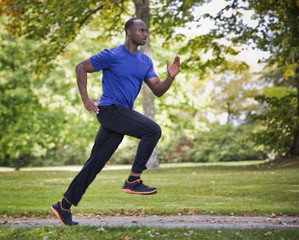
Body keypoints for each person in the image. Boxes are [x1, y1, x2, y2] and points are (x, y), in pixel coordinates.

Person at [51, 17, 180, 226]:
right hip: (110, 110)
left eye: (146, 31)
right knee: (153, 131)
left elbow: (157, 90)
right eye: (141, 30)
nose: (145, 34)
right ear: (129, 32)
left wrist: (170, 78)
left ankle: (63, 206)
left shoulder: (145, 61)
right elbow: (80, 68)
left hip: (119, 115)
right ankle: (133, 180)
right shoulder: (111, 55)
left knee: (96, 162)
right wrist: (85, 98)